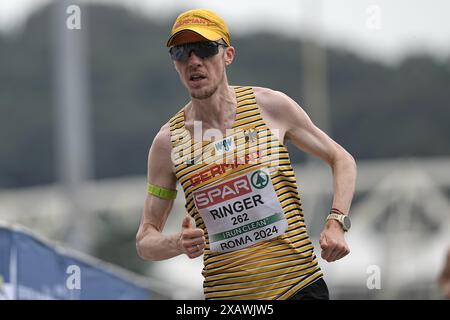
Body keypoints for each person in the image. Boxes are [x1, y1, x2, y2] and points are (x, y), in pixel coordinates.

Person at [136, 8, 357, 300]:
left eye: (204, 49)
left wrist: (336, 222)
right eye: (181, 52)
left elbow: (341, 159)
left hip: (298, 287)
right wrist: (178, 243)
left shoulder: (271, 107)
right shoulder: (168, 143)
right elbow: (145, 239)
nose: (194, 61)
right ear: (174, 63)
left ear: (227, 55)